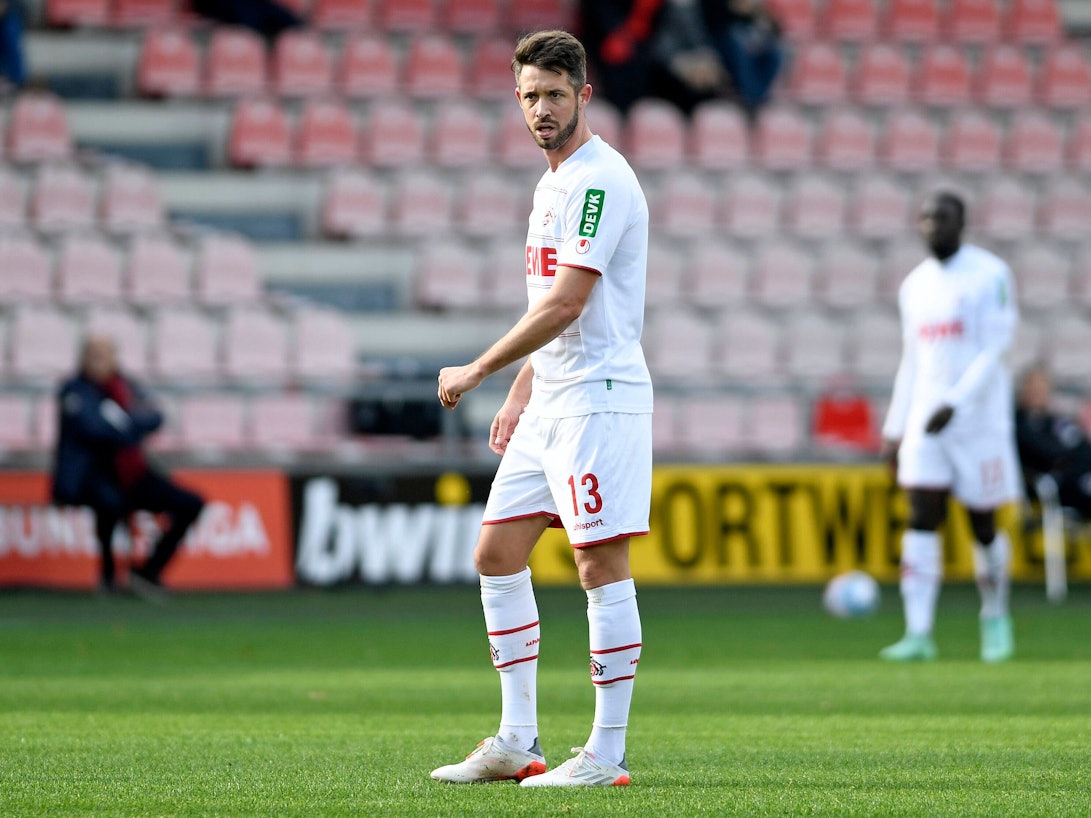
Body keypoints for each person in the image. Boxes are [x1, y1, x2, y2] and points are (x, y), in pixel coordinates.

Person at [430, 30, 652, 788]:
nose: (541, 109)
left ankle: (605, 753)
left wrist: (481, 371)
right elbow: (550, 309)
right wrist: (522, 393)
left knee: (597, 562)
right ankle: (517, 740)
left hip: (599, 400)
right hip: (552, 398)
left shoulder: (598, 182)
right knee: (496, 554)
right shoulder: (550, 184)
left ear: (584, 96)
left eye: (555, 94)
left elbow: (568, 303)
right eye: (529, 95)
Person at [879, 192, 1021, 664]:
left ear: (962, 222)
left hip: (979, 422)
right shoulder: (914, 286)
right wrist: (895, 427)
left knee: (982, 524)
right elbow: (911, 361)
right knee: (921, 517)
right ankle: (918, 632)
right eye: (925, 218)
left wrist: (956, 403)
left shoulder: (991, 275)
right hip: (926, 419)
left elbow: (994, 350)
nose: (932, 226)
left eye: (942, 218)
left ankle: (995, 615)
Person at [51, 334, 205, 599]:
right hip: (93, 473)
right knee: (109, 504)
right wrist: (131, 427)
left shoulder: (127, 385)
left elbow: (155, 415)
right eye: (93, 354)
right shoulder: (74, 390)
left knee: (192, 503)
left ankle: (147, 572)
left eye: (104, 354)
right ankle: (108, 575)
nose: (98, 361)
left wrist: (124, 425)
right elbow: (92, 428)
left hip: (133, 473)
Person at [1015, 364, 1091, 519]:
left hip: (1075, 474)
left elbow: (1083, 447)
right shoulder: (1018, 423)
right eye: (1032, 385)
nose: (1037, 391)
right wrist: (1066, 456)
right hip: (1050, 483)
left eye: (1042, 386)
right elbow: (1043, 452)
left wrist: (1067, 457)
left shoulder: (1056, 422)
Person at [703, 0, 786, 118]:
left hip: (750, 40)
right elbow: (710, 24)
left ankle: (756, 96)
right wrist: (733, 10)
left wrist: (758, 13)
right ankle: (753, 100)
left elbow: (776, 29)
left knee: (776, 50)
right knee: (737, 43)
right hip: (722, 43)